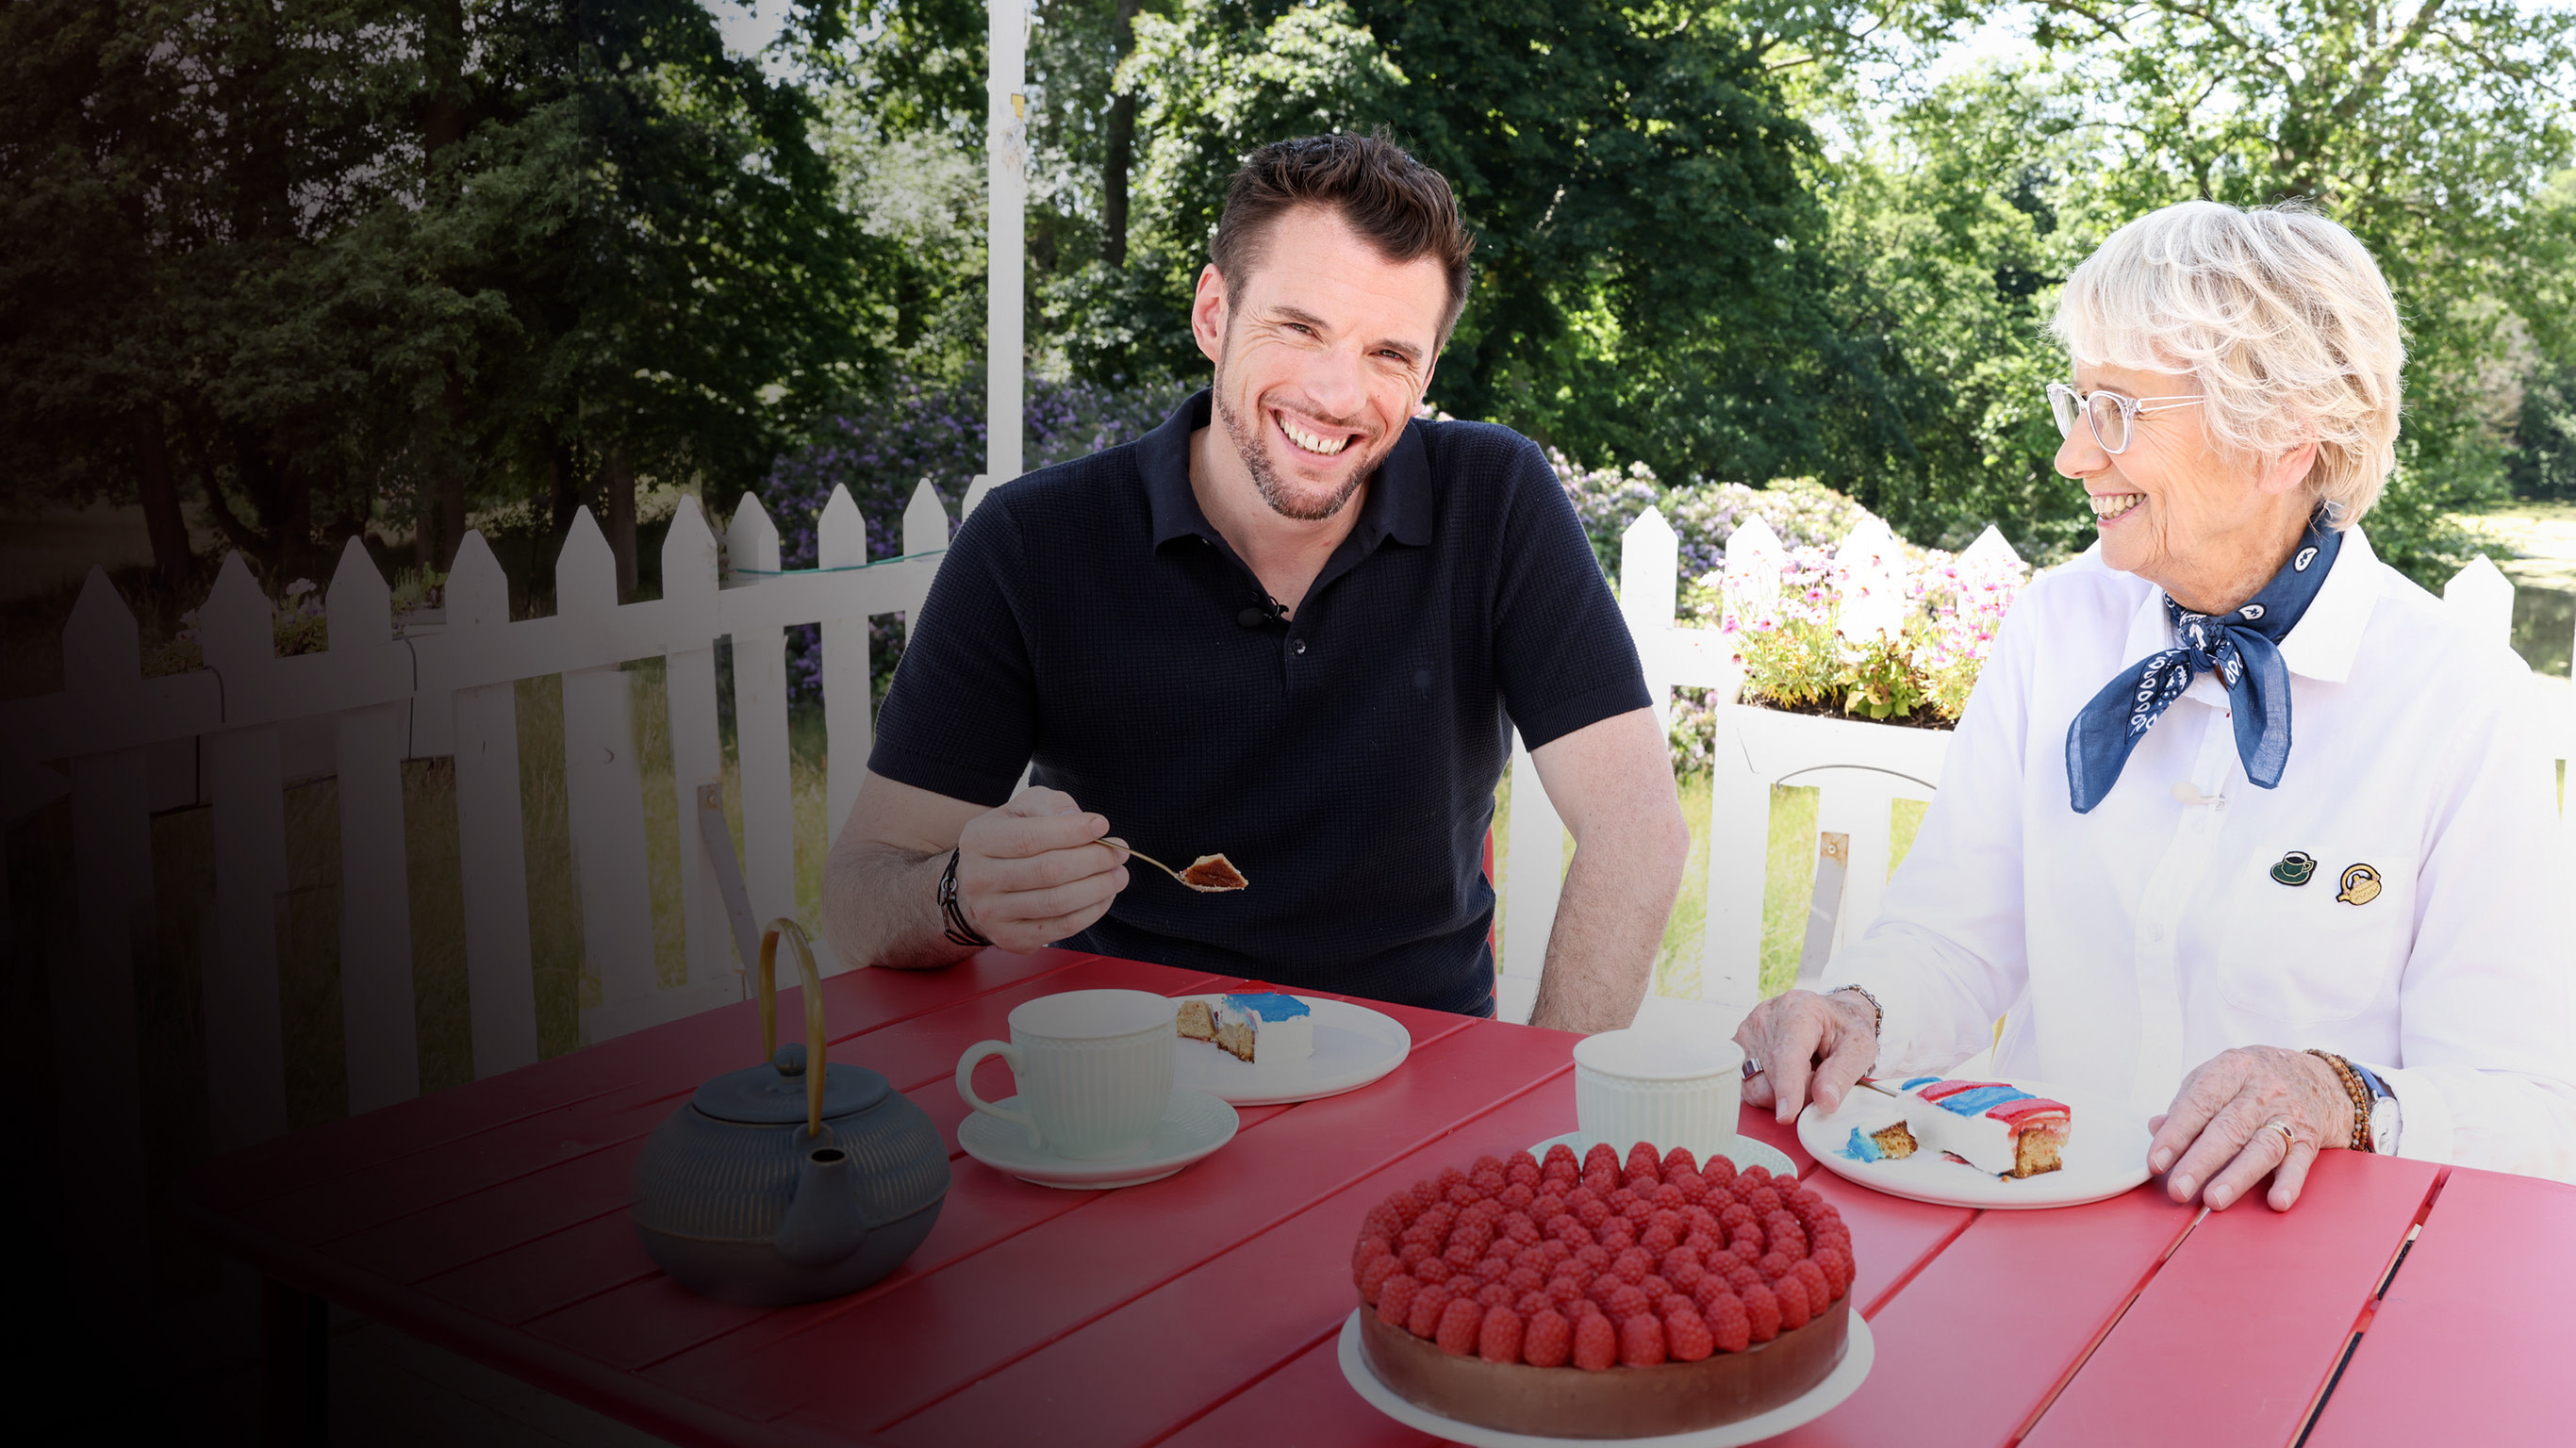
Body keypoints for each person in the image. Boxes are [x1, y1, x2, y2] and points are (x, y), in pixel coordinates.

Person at [1734, 200, 2576, 1206]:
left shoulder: (2460, 705)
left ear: (2282, 440)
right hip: (2037, 1236)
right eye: (2077, 402)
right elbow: (1954, 938)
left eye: (2119, 411)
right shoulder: (2054, 627)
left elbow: (2519, 1099)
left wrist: (2337, 1095)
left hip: (2311, 1279)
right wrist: (1858, 1010)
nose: (2073, 457)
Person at [821, 133, 1690, 1030]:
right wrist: (960, 897)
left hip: (1422, 1069)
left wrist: (1535, 1112)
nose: (1337, 395)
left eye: (1390, 354)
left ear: (1428, 373)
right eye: (1299, 327)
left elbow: (1637, 833)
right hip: (1129, 1078)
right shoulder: (1032, 541)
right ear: (1212, 313)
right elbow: (860, 888)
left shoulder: (1495, 496)